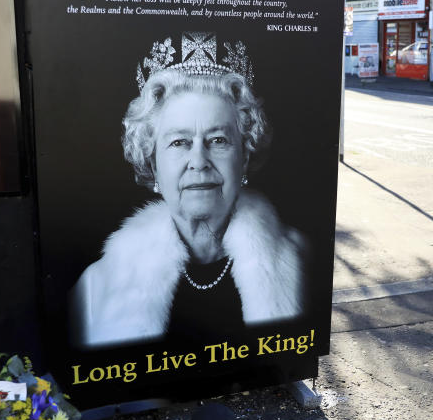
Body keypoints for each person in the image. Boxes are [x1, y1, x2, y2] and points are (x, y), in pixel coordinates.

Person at [71, 50, 306, 348]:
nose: (198, 161)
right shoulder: (97, 286)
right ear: (153, 163)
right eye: (179, 142)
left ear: (244, 157)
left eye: (218, 140)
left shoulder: (299, 261)